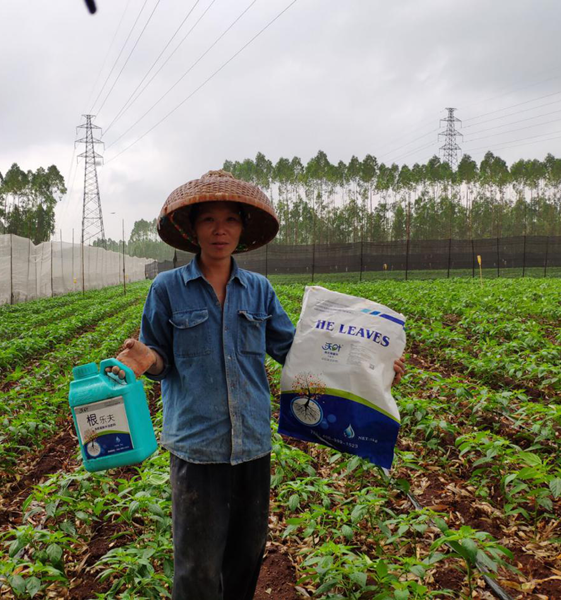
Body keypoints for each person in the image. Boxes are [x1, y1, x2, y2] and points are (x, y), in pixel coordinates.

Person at [107, 170, 405, 600]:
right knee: (197, 566)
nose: (220, 229)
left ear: (243, 229)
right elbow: (159, 357)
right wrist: (146, 359)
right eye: (208, 219)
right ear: (193, 229)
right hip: (197, 444)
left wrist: (373, 366)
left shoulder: (259, 290)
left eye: (230, 219)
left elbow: (297, 352)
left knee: (246, 558)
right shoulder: (167, 288)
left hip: (252, 443)